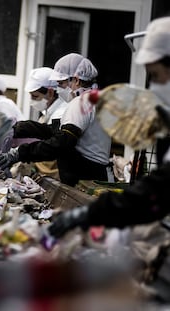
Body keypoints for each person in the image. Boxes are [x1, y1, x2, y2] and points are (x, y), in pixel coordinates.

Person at [47, 16, 170, 239]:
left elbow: (157, 190)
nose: (152, 87)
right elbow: (156, 190)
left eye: (156, 75)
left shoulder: (84, 103)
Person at [0, 56, 113, 186]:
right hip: (96, 175)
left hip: (88, 178)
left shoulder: (81, 103)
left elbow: (61, 143)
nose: (59, 89)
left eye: (61, 83)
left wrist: (19, 153)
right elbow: (54, 131)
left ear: (76, 80)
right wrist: (16, 128)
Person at [17, 67, 67, 179]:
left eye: (35, 96)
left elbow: (51, 147)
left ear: (50, 92)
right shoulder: (47, 114)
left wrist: (20, 154)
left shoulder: (60, 114)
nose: (31, 101)